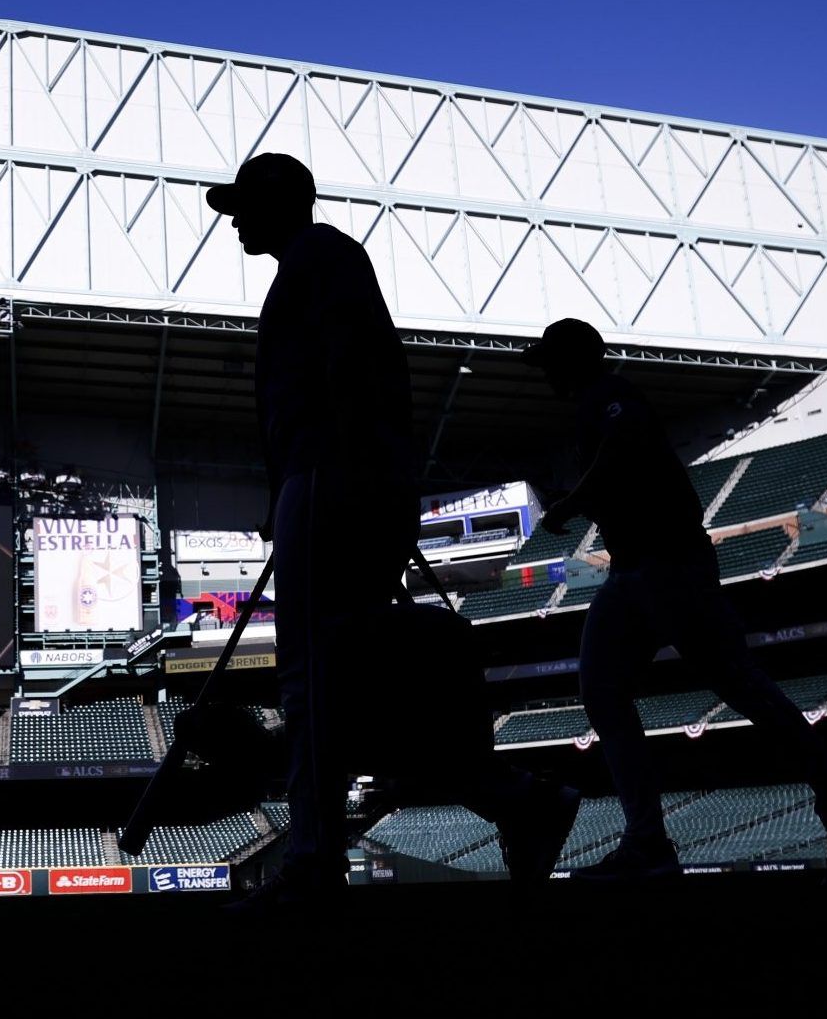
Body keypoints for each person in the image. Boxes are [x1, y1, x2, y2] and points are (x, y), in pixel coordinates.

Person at [211, 153, 574, 905]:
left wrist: (326, 483)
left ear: (277, 201)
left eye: (243, 205)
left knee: (311, 676)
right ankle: (512, 798)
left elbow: (350, 374)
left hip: (333, 480)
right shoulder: (312, 263)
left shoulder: (319, 254)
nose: (235, 220)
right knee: (348, 678)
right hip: (339, 481)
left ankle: (312, 857)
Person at [525, 317, 827, 881]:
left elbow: (626, 444)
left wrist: (570, 504)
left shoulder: (611, 395)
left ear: (574, 358)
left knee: (740, 686)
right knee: (603, 691)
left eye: (550, 360)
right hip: (633, 571)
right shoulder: (591, 405)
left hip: (670, 565)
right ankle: (648, 840)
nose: (545, 372)